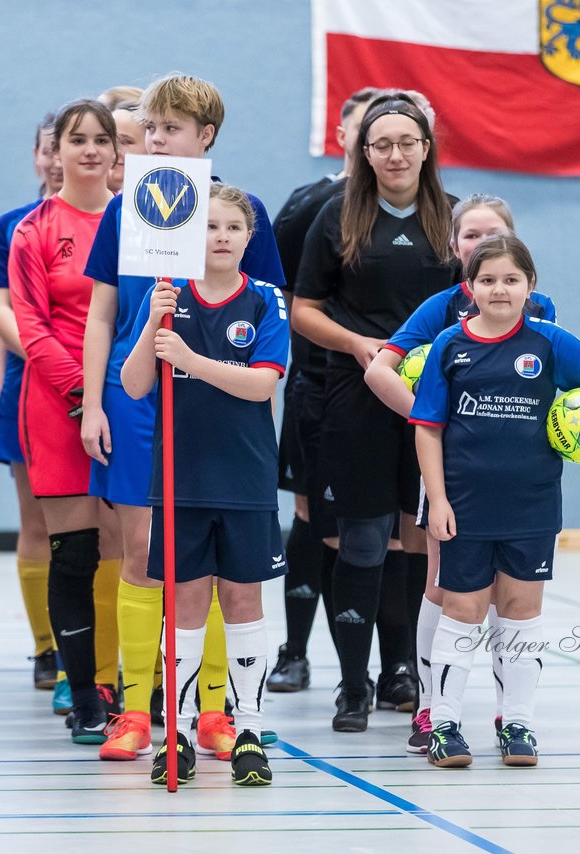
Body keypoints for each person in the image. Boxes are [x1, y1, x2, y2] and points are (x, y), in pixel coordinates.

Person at [82, 73, 285, 762]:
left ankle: (213, 712)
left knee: (222, 563)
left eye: (171, 127)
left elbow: (263, 314)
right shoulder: (124, 208)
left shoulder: (239, 210)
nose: (157, 137)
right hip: (138, 387)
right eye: (152, 126)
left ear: (206, 137)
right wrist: (93, 399)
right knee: (143, 551)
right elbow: (103, 311)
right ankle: (135, 709)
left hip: (218, 404)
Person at [411, 235, 580, 767]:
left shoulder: (551, 343)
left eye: (511, 279)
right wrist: (440, 499)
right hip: (466, 506)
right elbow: (427, 429)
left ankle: (517, 723)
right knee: (463, 609)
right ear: (470, 287)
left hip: (532, 507)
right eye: (488, 280)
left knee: (521, 611)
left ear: (531, 286)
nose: (500, 289)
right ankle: (445, 725)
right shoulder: (450, 347)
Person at [365, 194, 556, 753]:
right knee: (445, 588)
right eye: (471, 236)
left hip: (517, 480)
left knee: (514, 597)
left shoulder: (540, 310)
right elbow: (381, 370)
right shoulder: (441, 310)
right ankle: (433, 711)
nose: (480, 242)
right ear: (456, 249)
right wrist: (434, 420)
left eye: (493, 232)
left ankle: (510, 715)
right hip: (452, 471)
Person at [291, 96, 457, 732]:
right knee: (362, 537)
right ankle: (353, 686)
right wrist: (358, 345)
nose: (395, 153)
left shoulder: (449, 216)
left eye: (406, 142)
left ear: (425, 147)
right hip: (355, 394)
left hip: (429, 398)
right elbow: (304, 308)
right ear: (363, 151)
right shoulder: (337, 216)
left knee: (418, 537)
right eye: (381, 143)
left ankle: (404, 672)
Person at [121, 183, 288, 787]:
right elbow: (137, 384)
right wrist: (153, 327)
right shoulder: (167, 298)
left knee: (244, 605)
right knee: (185, 607)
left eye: (232, 228)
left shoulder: (266, 301)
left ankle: (248, 730)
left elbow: (262, 385)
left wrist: (188, 358)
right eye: (209, 227)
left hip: (244, 477)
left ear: (249, 238)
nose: (220, 237)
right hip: (180, 479)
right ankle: (180, 734)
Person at [266, 86, 384, 695]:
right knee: (314, 516)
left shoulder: (425, 211)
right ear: (345, 135)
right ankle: (293, 650)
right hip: (318, 387)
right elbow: (279, 293)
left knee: (380, 526)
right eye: (369, 129)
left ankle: (373, 670)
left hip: (389, 394)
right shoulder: (310, 205)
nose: (382, 145)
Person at [9, 98, 119, 744]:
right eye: (75, 140)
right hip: (57, 404)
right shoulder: (34, 231)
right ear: (56, 152)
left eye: (100, 139)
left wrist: (114, 394)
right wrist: (83, 391)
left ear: (115, 151)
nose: (88, 150)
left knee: (132, 547)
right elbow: (30, 324)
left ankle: (131, 682)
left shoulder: (138, 224)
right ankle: (83, 693)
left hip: (126, 400)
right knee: (75, 552)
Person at [0, 113, 63, 695]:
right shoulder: (15, 226)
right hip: (34, 382)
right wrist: (49, 356)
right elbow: (0, 311)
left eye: (82, 144)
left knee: (102, 529)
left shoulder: (117, 223)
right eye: (52, 147)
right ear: (36, 156)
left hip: (99, 382)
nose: (61, 158)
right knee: (37, 521)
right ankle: (46, 646)